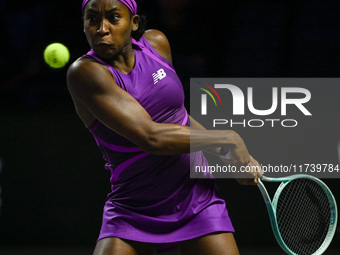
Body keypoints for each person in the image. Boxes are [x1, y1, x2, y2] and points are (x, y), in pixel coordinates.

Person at [67, 0, 262, 254]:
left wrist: (227, 155)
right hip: (134, 209)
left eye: (114, 18)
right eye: (92, 19)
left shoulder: (156, 44)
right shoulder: (85, 73)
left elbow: (179, 118)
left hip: (197, 200)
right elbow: (152, 137)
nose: (102, 28)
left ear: (133, 22)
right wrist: (227, 139)